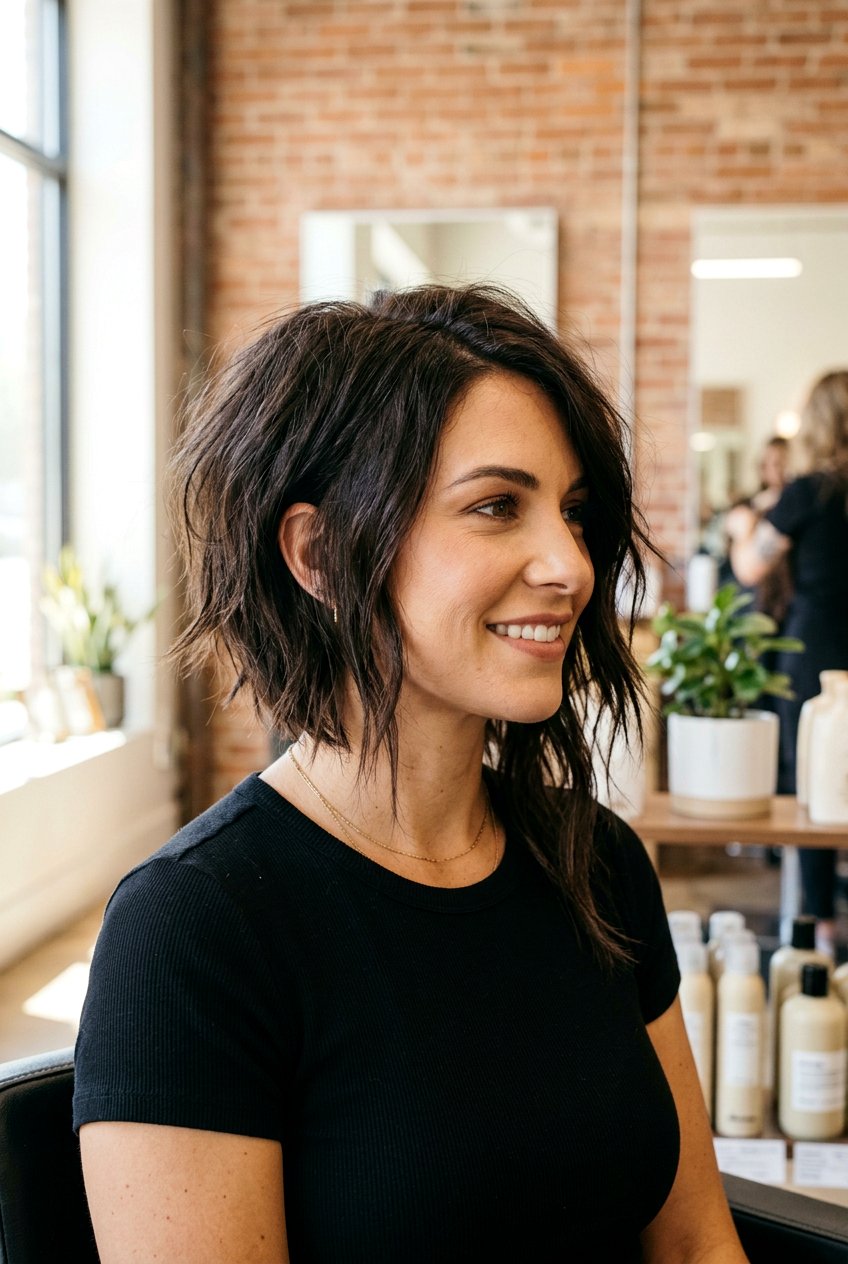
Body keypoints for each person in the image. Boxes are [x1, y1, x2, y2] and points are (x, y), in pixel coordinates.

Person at [73, 285, 747, 1263]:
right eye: (494, 507)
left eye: (569, 512)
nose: (568, 563)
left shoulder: (594, 861)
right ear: (317, 552)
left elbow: (692, 1244)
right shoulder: (196, 931)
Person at [727, 371, 848, 955]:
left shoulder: (810, 491)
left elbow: (751, 566)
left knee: (814, 786)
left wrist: (740, 527)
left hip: (817, 650)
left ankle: (819, 925)